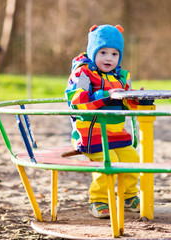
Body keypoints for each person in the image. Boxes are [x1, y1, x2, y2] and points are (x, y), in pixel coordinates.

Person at [65, 24, 141, 219]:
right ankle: (99, 200)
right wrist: (106, 95)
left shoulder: (121, 77)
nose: (109, 58)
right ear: (93, 52)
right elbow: (77, 101)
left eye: (115, 54)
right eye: (103, 52)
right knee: (110, 162)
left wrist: (134, 98)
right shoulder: (83, 73)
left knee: (132, 159)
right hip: (90, 134)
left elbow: (128, 107)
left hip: (116, 134)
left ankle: (128, 196)